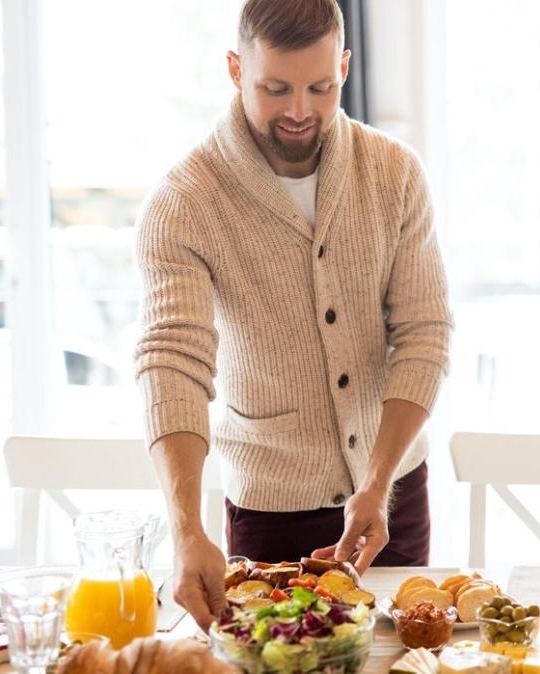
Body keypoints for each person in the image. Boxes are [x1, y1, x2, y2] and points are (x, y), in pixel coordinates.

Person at [135, 0, 452, 629]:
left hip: (392, 499)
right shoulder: (183, 203)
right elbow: (173, 363)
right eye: (275, 88)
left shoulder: (395, 173)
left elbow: (424, 334)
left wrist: (379, 480)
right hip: (268, 512)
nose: (300, 110)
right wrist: (186, 529)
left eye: (321, 86)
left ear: (344, 65)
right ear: (235, 69)